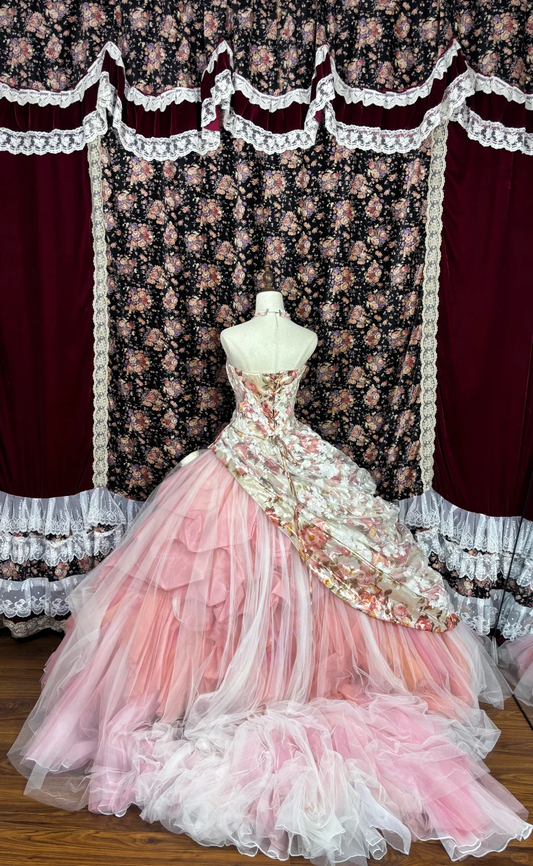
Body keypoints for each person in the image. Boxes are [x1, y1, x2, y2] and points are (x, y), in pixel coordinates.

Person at [9, 277, 532, 865]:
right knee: (222, 587)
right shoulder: (247, 334)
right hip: (250, 462)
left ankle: (280, 679)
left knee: (307, 580)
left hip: (268, 459)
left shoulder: (285, 335)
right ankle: (236, 686)